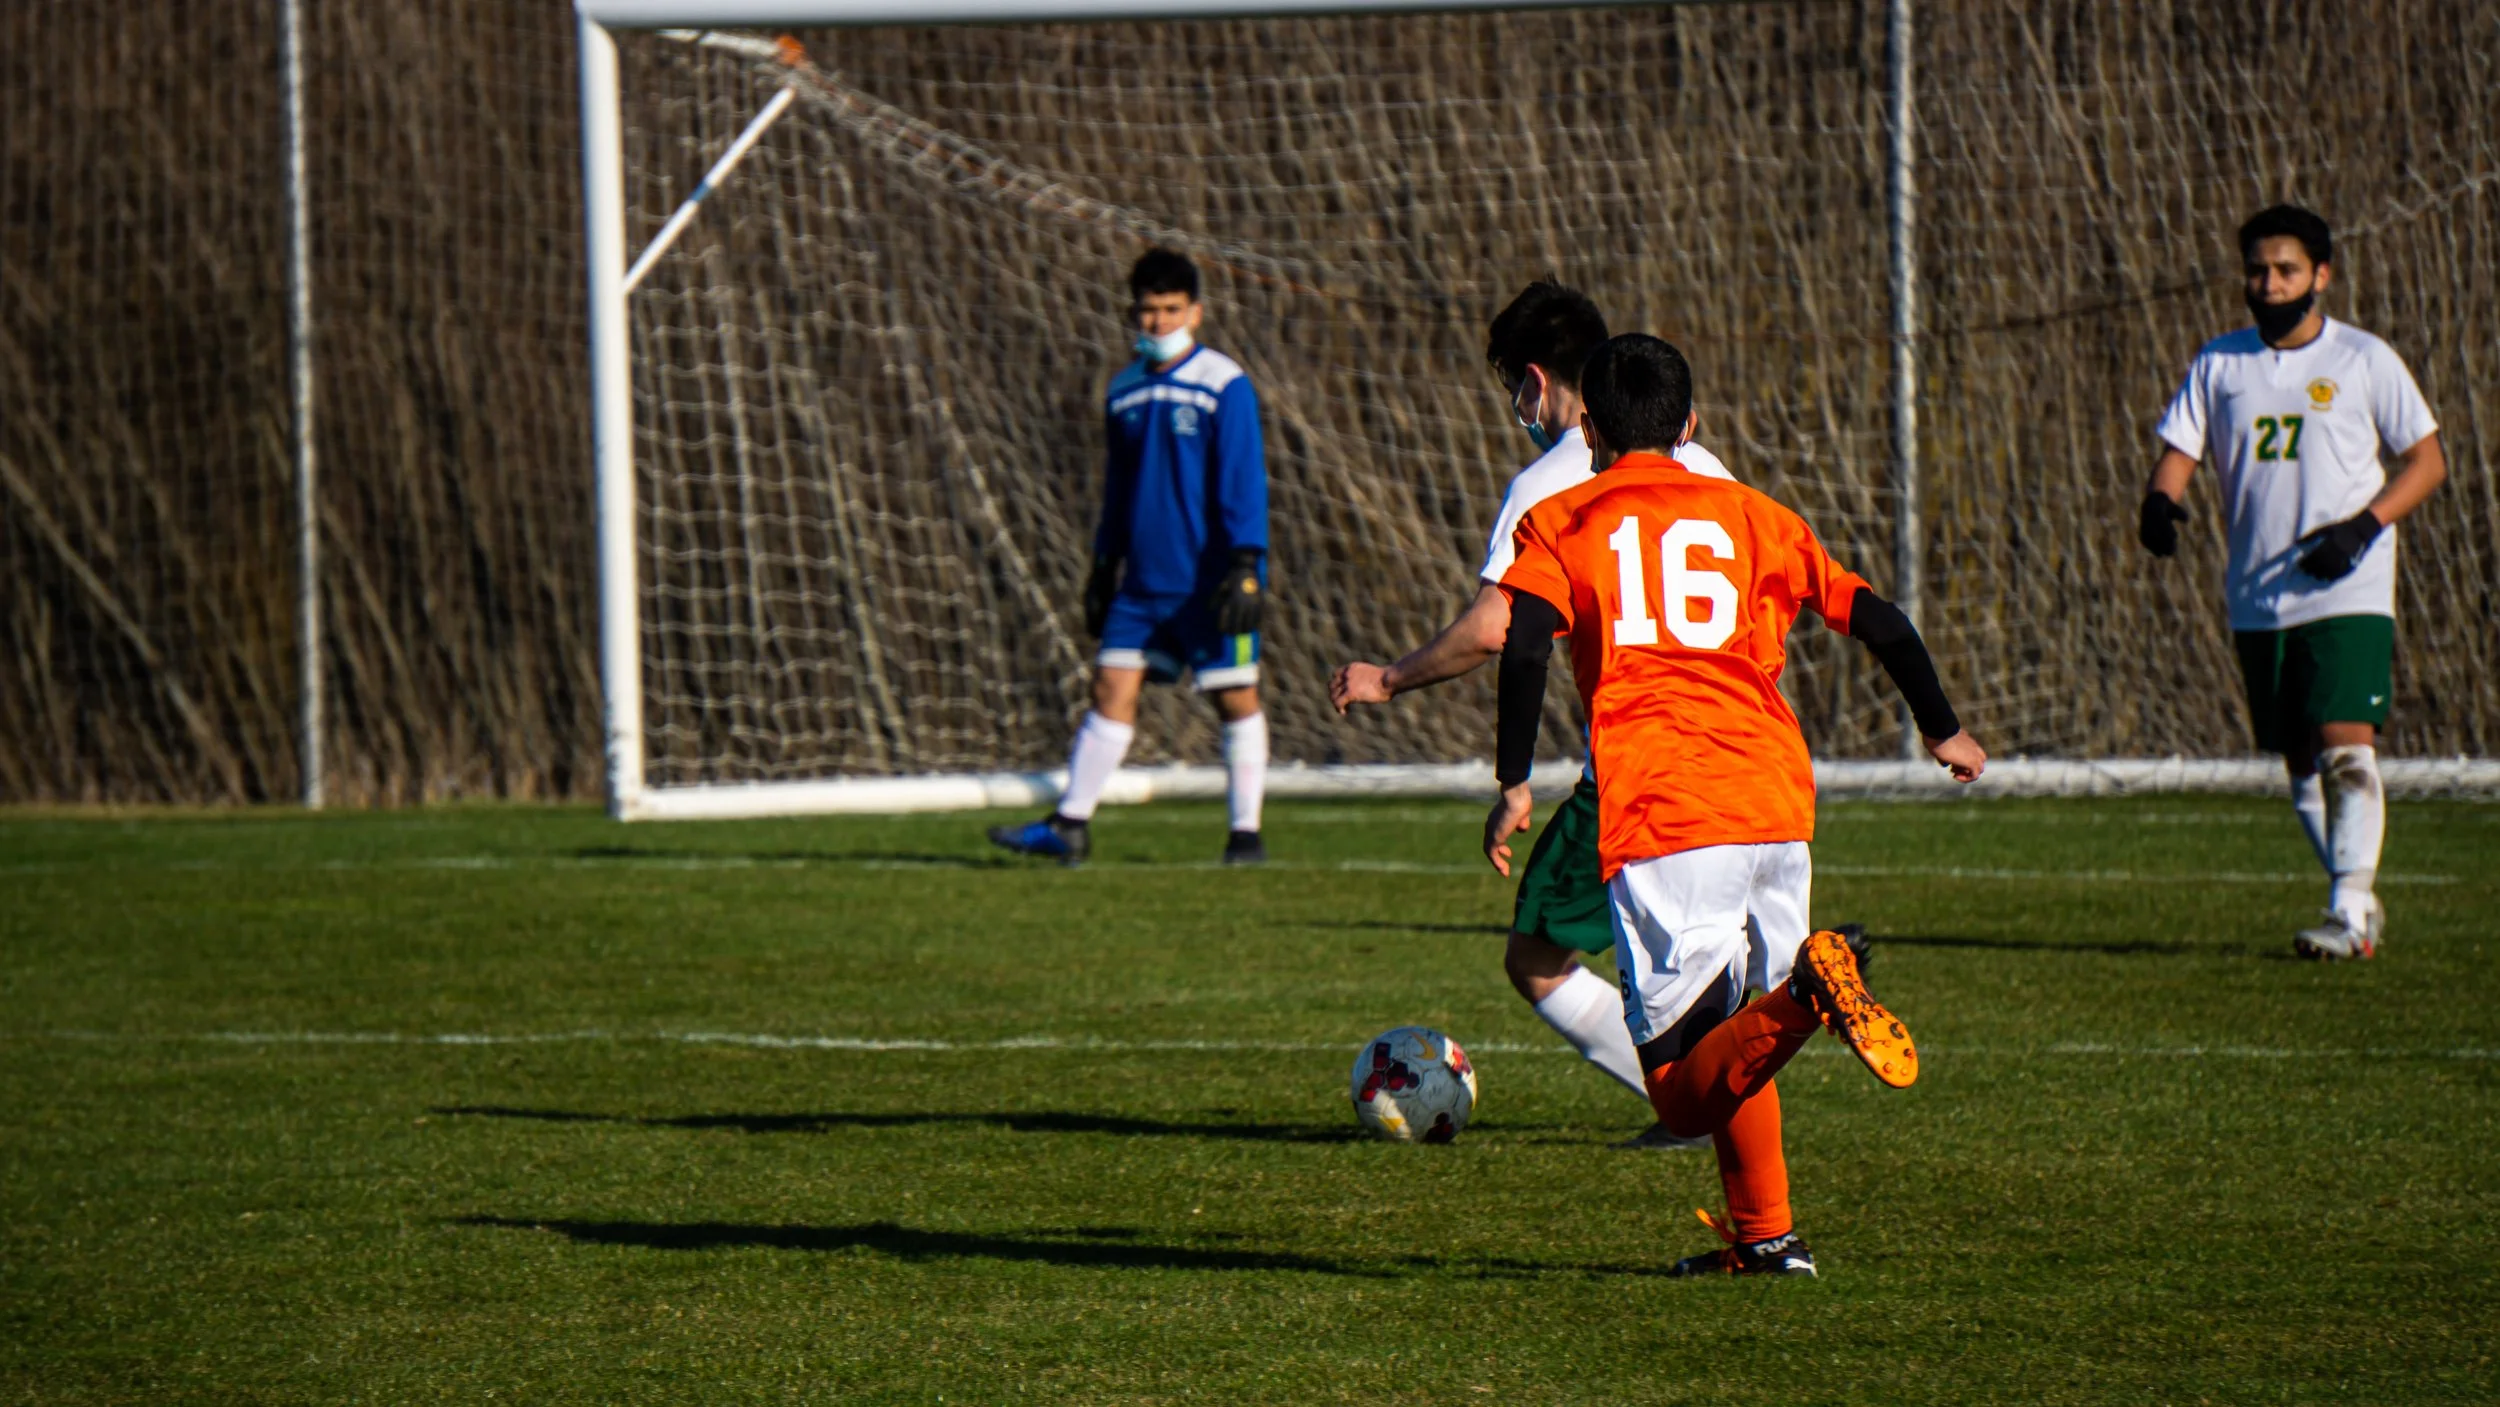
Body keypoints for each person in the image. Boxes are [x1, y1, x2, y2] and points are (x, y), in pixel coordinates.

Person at [1486, 333, 1985, 1276]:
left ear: (1588, 427)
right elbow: (1877, 615)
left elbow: (1523, 647)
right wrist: (1941, 728)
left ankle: (1811, 990)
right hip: (1774, 797)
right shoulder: (1756, 513)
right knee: (1732, 1038)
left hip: (1669, 808)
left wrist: (1514, 780)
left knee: (1679, 1093)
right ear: (1693, 424)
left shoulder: (1563, 519)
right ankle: (1767, 1237)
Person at [1330, 281, 1739, 1147]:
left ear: (1535, 383)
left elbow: (1496, 627)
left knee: (1540, 957)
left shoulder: (1552, 479)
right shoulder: (1704, 463)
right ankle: (1723, 1085)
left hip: (1640, 761)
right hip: (1748, 748)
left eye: (1515, 392)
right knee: (1704, 949)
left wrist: (1391, 679)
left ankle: (1694, 1102)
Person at [2140, 205, 2446, 960]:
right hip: (2257, 593)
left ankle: (2345, 913)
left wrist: (2362, 528)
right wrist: (2158, 502)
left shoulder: (2363, 359)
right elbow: (2180, 449)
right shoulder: (2220, 363)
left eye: (2287, 269)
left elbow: (2429, 460)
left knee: (2347, 745)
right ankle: (2358, 902)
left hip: (2349, 585)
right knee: (2300, 759)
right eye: (2258, 270)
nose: (2270, 283)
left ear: (2322, 275)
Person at [990, 249, 1271, 866]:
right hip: (1142, 583)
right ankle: (1069, 825)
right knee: (1110, 687)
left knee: (1234, 696)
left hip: (1211, 578)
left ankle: (1244, 835)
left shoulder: (1224, 383)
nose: (1159, 322)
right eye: (1148, 311)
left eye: (1171, 310)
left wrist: (1247, 563)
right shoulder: (1123, 390)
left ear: (1195, 312)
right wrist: (1101, 565)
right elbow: (1118, 488)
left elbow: (1243, 479)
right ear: (1133, 313)